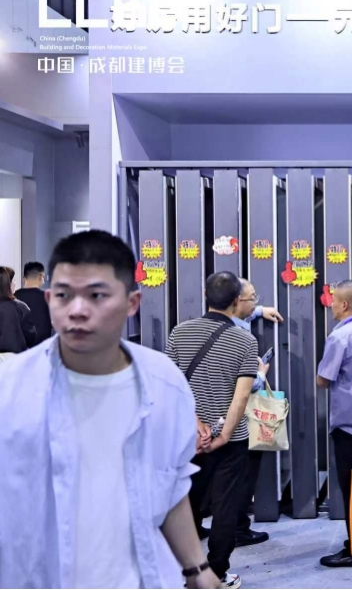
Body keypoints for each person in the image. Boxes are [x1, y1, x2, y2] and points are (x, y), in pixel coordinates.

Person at [0, 230, 219, 589]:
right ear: (48, 300)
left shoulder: (163, 383)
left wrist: (197, 568)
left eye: (97, 295)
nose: (77, 310)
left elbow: (171, 483)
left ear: (132, 303)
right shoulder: (11, 389)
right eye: (63, 295)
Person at [166, 271, 266, 589]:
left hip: (190, 438)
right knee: (226, 506)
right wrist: (223, 435)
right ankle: (217, 572)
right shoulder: (245, 341)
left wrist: (197, 423)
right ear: (236, 301)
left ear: (205, 296)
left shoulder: (179, 333)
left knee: (187, 502)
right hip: (231, 441)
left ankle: (187, 571)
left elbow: (174, 387)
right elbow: (241, 397)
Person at [316, 280, 352, 568]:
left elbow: (323, 379)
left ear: (344, 304)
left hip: (349, 426)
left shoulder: (340, 337)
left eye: (333, 301)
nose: (330, 305)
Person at [227, 278, 283, 548]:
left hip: (219, 416)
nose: (256, 302)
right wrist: (261, 374)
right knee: (243, 474)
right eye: (252, 298)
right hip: (240, 417)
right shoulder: (240, 337)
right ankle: (237, 528)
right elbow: (247, 383)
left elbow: (246, 315)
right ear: (236, 301)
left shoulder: (229, 323)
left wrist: (261, 311)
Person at [0, 266, 37, 357]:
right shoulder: (20, 307)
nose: (15, 283)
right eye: (13, 280)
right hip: (16, 358)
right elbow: (31, 337)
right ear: (7, 284)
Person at [15, 261, 54, 342]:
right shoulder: (48, 296)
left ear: (24, 278)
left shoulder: (14, 297)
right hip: (43, 345)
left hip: (21, 346)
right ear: (41, 277)